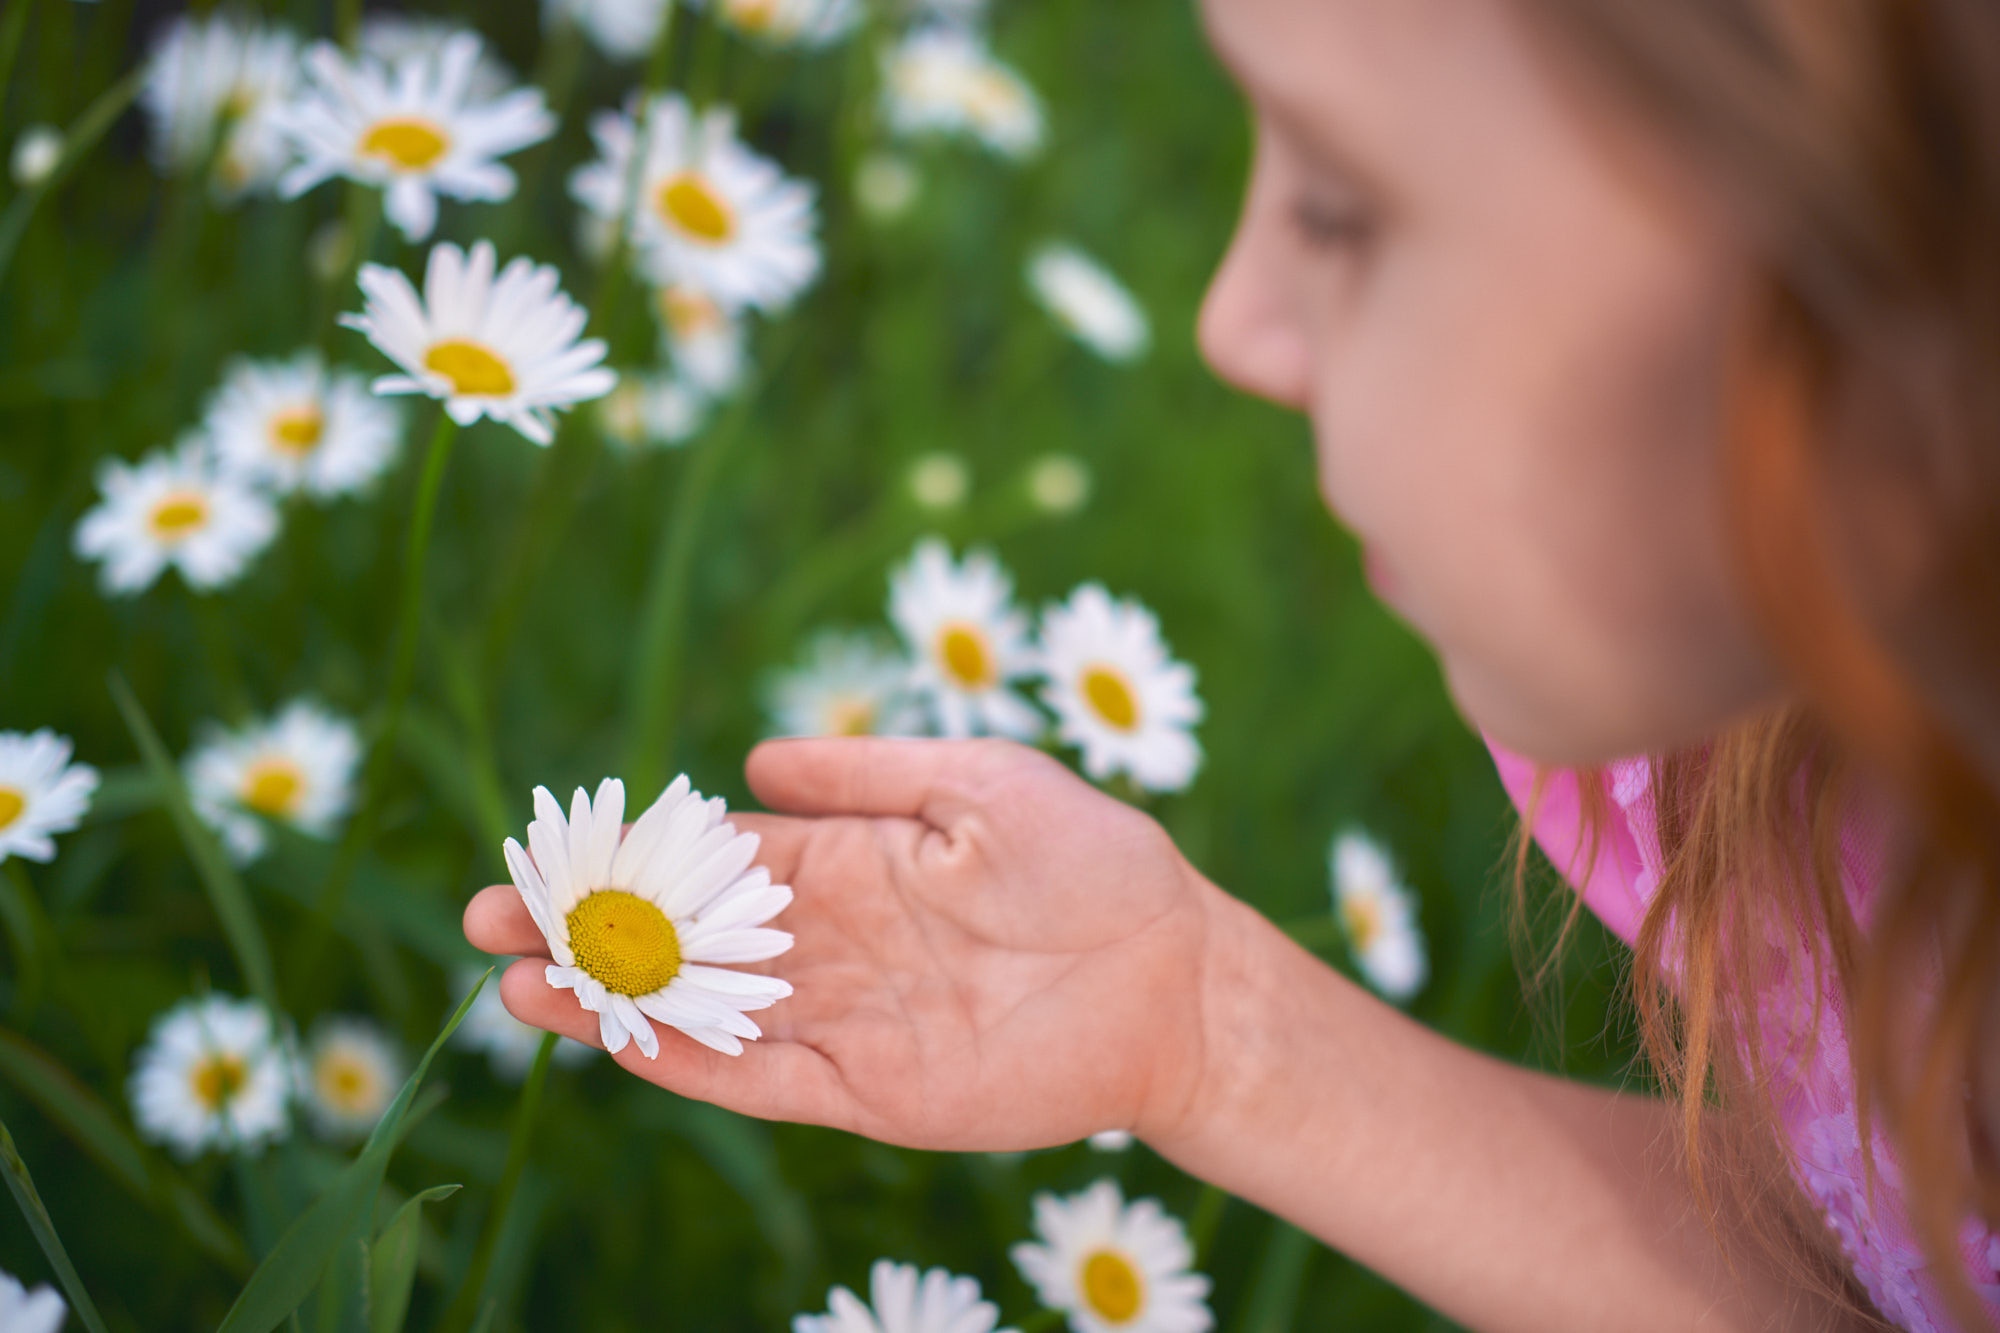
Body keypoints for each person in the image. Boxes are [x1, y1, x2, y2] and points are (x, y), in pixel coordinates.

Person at [464, 0, 2000, 1327]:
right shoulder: (1793, 769)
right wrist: (1211, 1032)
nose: (1230, 324)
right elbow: (1881, 1287)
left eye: (1341, 206)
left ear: (1887, 287)